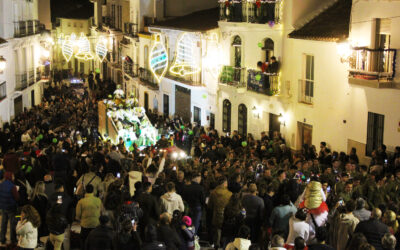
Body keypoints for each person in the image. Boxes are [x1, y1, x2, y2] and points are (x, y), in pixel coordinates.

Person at [208, 176, 232, 249]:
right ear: (224, 183)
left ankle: (216, 244)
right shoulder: (229, 194)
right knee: (225, 231)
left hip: (216, 214)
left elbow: (210, 206)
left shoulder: (213, 193)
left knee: (217, 230)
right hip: (226, 215)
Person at [75, 184, 102, 248]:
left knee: (84, 242)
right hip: (96, 225)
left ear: (85, 191)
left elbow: (77, 216)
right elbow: (101, 212)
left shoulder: (81, 202)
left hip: (85, 225)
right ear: (93, 191)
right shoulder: (98, 200)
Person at [0, 171, 19, 245]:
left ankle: (2, 239)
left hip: (3, 207)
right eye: (13, 176)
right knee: (12, 224)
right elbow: (17, 198)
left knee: (3, 223)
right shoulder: (12, 186)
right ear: (10, 177)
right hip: (11, 207)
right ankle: (13, 240)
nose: (14, 177)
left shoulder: (1, 184)